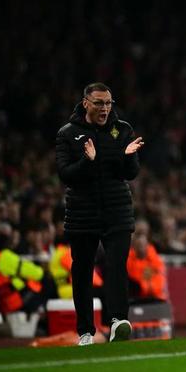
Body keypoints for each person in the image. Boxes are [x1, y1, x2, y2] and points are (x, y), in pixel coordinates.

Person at [55, 82, 144, 345]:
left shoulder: (122, 129)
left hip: (118, 210)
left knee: (117, 264)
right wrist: (87, 161)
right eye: (99, 103)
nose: (105, 108)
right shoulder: (68, 134)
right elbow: (65, 175)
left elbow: (130, 173)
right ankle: (85, 331)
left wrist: (128, 157)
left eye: (108, 103)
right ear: (86, 103)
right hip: (82, 212)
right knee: (82, 271)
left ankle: (118, 321)